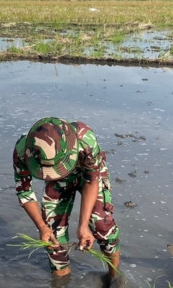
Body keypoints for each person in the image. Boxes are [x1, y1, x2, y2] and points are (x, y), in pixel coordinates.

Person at [13, 117, 120, 278]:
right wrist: (42, 227)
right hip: (57, 181)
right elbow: (25, 192)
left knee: (102, 226)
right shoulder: (23, 150)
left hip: (89, 175)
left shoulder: (85, 140)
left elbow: (92, 181)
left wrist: (83, 225)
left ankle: (114, 277)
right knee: (53, 239)